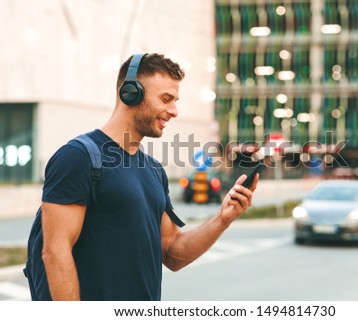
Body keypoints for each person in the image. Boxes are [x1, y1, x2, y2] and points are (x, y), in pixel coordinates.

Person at [35, 53, 258, 301]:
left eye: (175, 100)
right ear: (131, 93)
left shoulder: (154, 170)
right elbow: (55, 252)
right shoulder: (77, 158)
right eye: (166, 99)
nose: (174, 111)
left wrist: (223, 218)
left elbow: (173, 253)